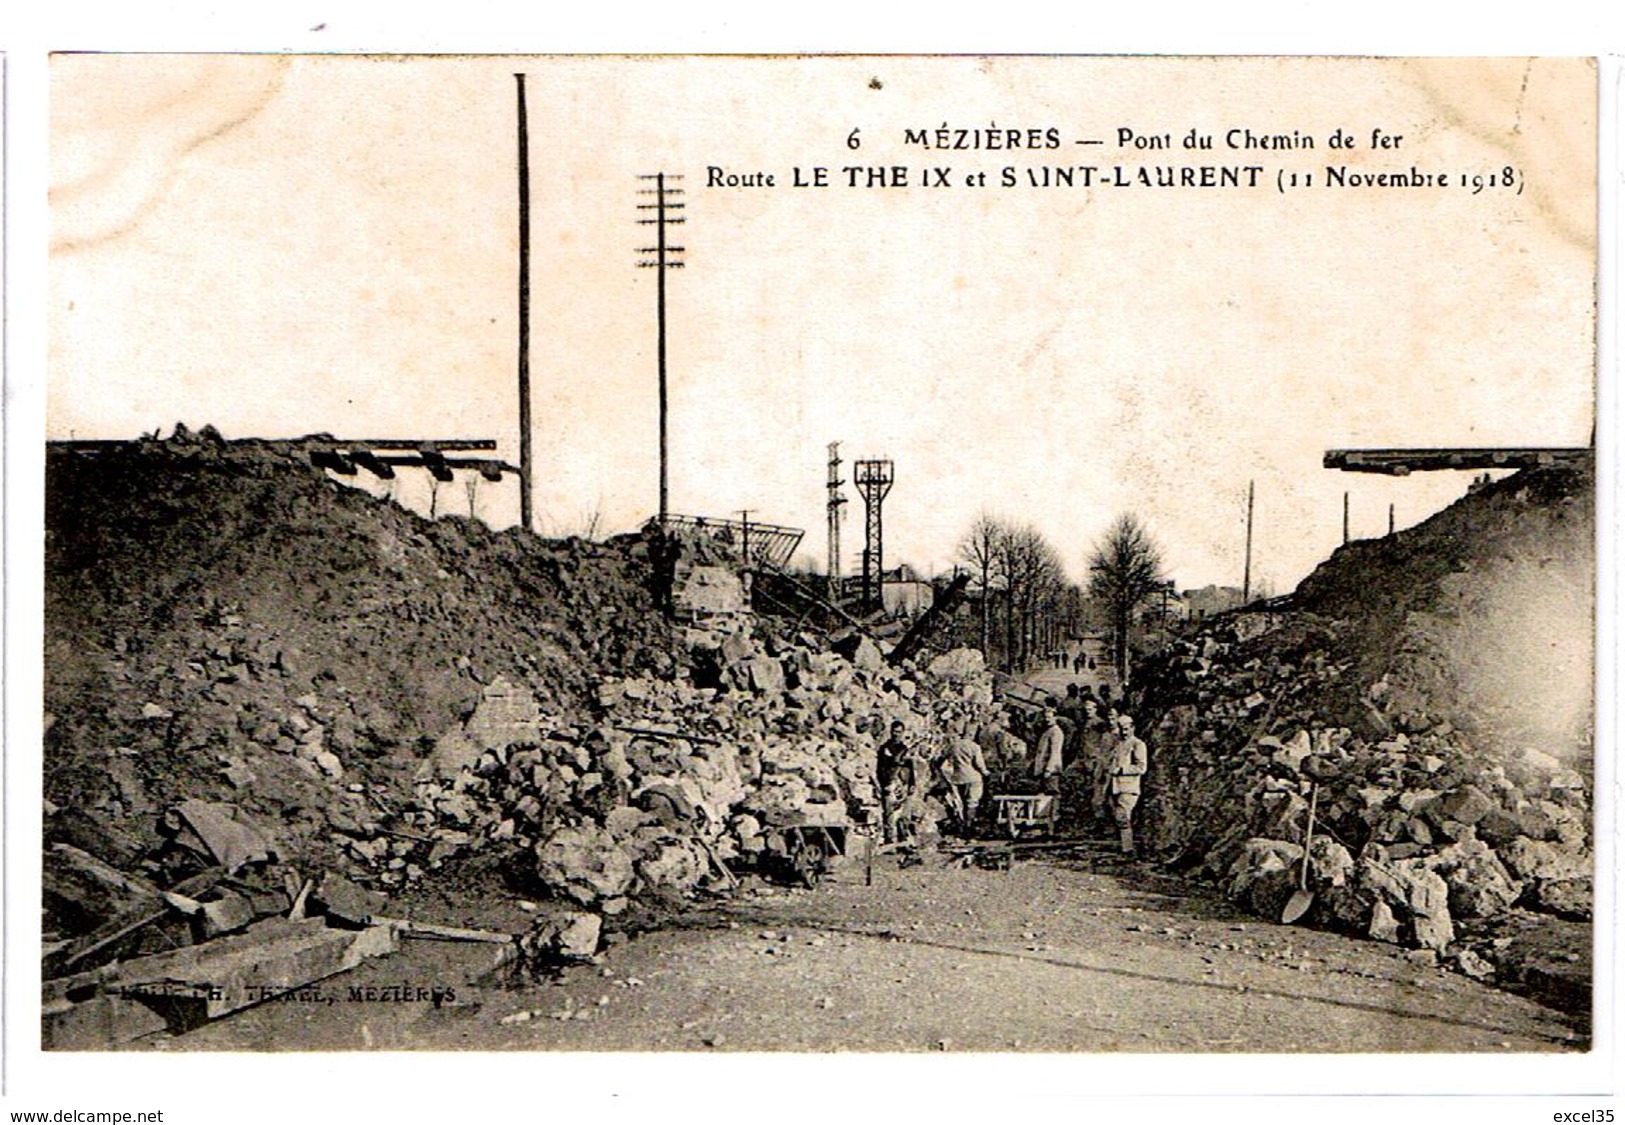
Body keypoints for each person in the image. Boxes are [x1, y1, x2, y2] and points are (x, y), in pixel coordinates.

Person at [1107, 712, 1149, 855]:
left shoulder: (1138, 744)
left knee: (1122, 816)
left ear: (1133, 728)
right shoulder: (1119, 744)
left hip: (1129, 786)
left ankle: (1128, 849)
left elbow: (1141, 767)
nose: (1124, 732)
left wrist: (1121, 770)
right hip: (1116, 786)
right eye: (1121, 728)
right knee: (1118, 817)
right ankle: (1124, 846)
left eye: (1126, 728)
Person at [943, 726, 988, 835]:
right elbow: (979, 764)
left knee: (960, 803)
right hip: (972, 777)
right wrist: (986, 772)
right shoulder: (974, 746)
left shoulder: (952, 746)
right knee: (972, 802)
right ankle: (969, 827)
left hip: (957, 777)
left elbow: (943, 758)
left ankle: (960, 826)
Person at [875, 720, 913, 844]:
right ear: (890, 732)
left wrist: (912, 783)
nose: (897, 734)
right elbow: (880, 768)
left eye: (899, 732)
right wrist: (884, 783)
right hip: (890, 782)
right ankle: (889, 839)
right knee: (889, 813)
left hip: (903, 783)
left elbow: (910, 767)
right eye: (894, 731)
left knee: (903, 813)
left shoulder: (904, 748)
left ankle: (903, 838)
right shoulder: (885, 748)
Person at [1031, 708, 1065, 794]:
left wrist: (1049, 769)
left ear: (1055, 717)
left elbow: (1055, 752)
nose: (1047, 720)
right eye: (1045, 717)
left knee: (1051, 793)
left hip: (1051, 770)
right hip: (1043, 768)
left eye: (1049, 717)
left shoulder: (1056, 732)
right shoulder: (1047, 731)